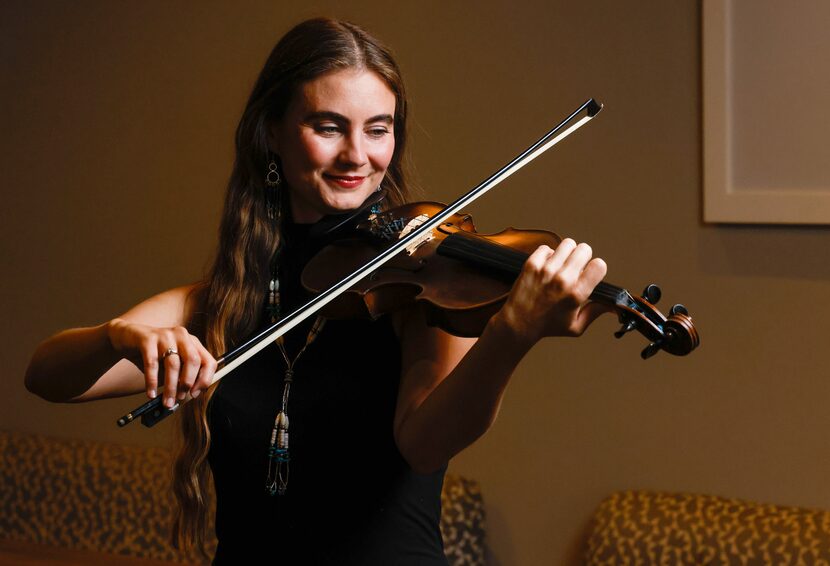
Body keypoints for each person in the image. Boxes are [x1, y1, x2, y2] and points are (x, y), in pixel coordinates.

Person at [24, 17, 608, 565]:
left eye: (378, 129)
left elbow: (426, 445)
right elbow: (47, 377)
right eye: (328, 127)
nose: (358, 155)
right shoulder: (222, 303)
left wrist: (512, 333)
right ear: (272, 133)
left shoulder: (421, 290)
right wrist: (115, 336)